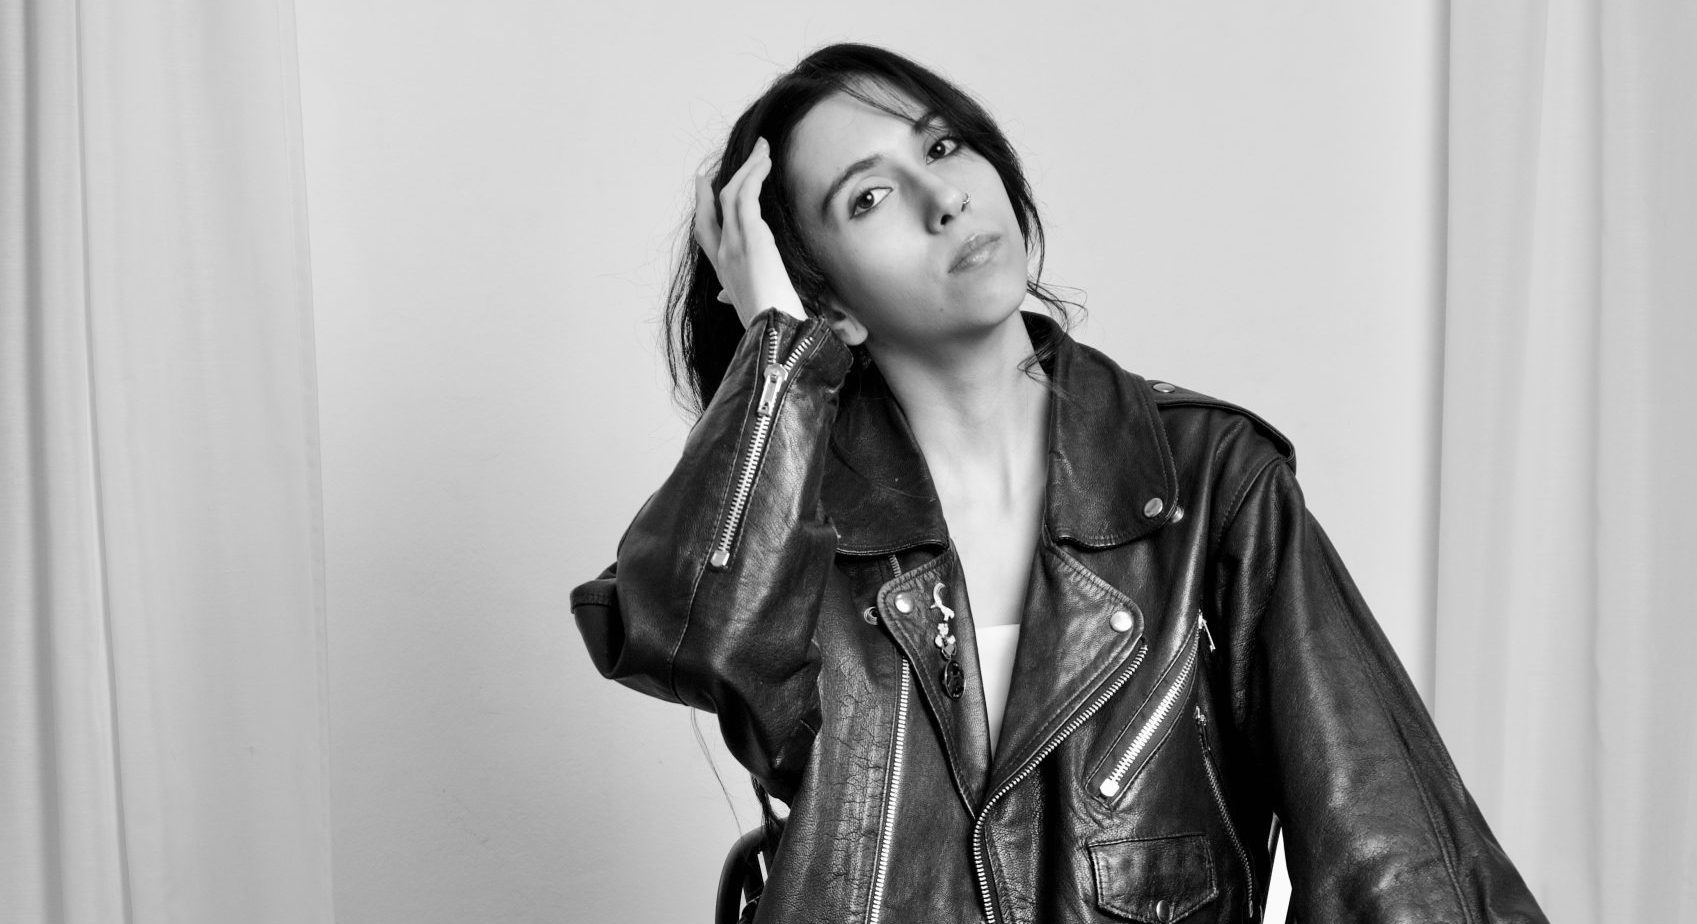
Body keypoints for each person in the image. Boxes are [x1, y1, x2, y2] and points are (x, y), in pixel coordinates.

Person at [570, 42, 1548, 924]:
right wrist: (779, 355)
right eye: (867, 198)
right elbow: (686, 635)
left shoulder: (1203, 481)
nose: (942, 198)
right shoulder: (794, 525)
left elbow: (1392, 849)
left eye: (944, 147)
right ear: (826, 300)